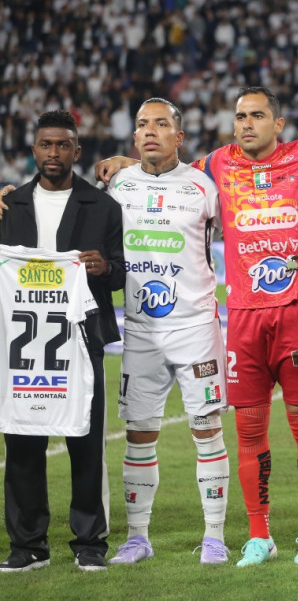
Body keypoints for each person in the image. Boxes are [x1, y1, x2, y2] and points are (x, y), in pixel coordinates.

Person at [97, 87, 298, 567]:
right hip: (232, 319)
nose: (247, 124)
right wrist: (122, 160)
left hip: (285, 314)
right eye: (240, 116)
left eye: (258, 115)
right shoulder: (211, 168)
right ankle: (249, 535)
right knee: (237, 430)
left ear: (279, 122)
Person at [105, 98, 230, 566]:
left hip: (195, 328)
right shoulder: (118, 184)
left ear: (180, 136)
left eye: (161, 124)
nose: (150, 131)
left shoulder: (204, 187)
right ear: (134, 137)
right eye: (142, 124)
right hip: (139, 329)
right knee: (139, 433)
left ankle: (214, 536)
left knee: (207, 430)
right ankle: (138, 537)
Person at [0, 110, 125, 572]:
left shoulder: (103, 206)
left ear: (77, 150)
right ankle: (27, 545)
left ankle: (89, 543)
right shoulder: (10, 206)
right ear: (33, 150)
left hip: (82, 339)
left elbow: (122, 270)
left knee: (85, 441)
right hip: (21, 344)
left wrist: (105, 268)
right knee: (22, 440)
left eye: (63, 145)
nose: (54, 153)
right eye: (46, 145)